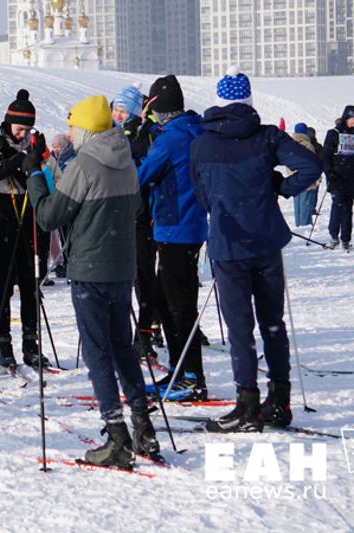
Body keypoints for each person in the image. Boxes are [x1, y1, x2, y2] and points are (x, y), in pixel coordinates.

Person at [26, 95, 158, 469]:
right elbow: (135, 208)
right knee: (122, 348)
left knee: (98, 353)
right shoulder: (124, 157)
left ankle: (117, 438)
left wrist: (36, 177)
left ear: (85, 129)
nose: (69, 134)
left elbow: (49, 217)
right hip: (121, 267)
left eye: (72, 128)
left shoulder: (84, 164)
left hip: (90, 270)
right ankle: (142, 425)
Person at [190, 66, 322, 432]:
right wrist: (279, 188)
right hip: (265, 240)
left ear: (218, 101)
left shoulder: (201, 143)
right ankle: (280, 400)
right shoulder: (267, 137)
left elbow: (201, 194)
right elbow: (311, 166)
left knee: (239, 327)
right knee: (272, 322)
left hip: (228, 242)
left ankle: (246, 404)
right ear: (248, 101)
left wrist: (223, 205)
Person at [137, 74, 208, 401]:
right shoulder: (196, 129)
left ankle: (191, 376)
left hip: (173, 227)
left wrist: (140, 143)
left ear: (160, 109)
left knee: (178, 305)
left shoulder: (170, 139)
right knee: (169, 300)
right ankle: (182, 370)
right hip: (190, 226)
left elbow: (142, 176)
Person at [0, 89, 49, 369]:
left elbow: (36, 176)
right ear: (9, 122)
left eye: (27, 129)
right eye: (20, 129)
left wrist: (35, 158)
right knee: (4, 285)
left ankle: (31, 343)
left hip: (26, 218)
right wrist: (22, 158)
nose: (23, 134)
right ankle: (3, 343)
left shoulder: (28, 143)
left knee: (30, 286)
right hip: (0, 219)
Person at [112, 82, 160, 359]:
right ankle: (121, 333)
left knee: (144, 273)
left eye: (123, 111)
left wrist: (139, 135)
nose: (119, 115)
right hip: (117, 212)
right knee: (120, 277)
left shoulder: (145, 132)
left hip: (141, 212)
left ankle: (145, 332)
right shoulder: (110, 134)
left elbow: (147, 161)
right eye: (116, 110)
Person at [322, 105, 354, 250]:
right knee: (337, 205)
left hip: (352, 177)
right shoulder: (333, 133)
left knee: (348, 208)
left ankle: (346, 239)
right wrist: (329, 172)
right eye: (353, 118)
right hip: (336, 177)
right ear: (346, 118)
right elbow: (325, 156)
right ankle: (333, 236)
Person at [46, 133, 76, 279]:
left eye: (59, 146)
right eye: (54, 146)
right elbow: (48, 173)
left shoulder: (72, 156)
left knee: (68, 232)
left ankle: (70, 262)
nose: (56, 149)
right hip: (56, 198)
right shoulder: (52, 158)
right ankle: (62, 263)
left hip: (69, 198)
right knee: (59, 233)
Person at [291, 123, 321, 227]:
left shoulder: (290, 144)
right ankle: (305, 226)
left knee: (297, 204)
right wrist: (317, 177)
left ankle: (298, 224)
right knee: (306, 204)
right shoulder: (308, 145)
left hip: (294, 179)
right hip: (306, 179)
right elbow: (313, 164)